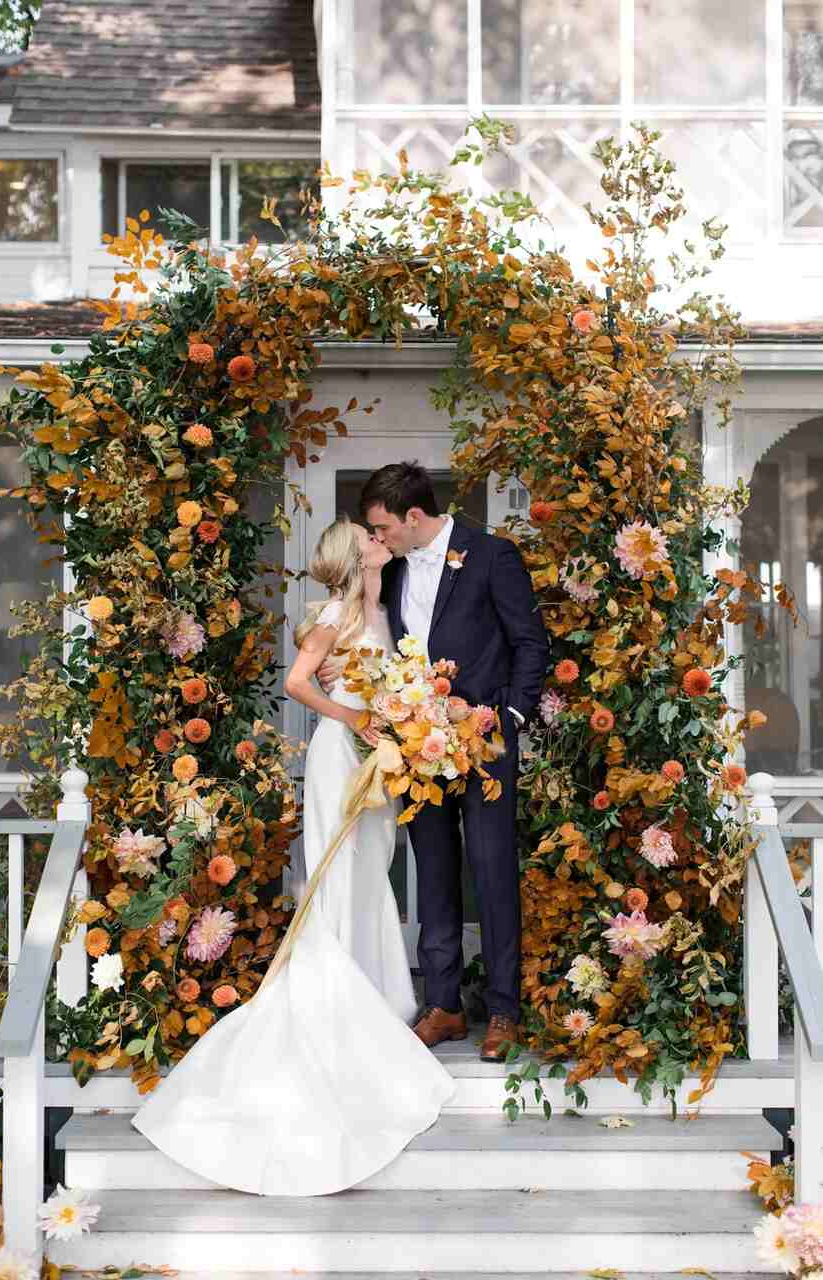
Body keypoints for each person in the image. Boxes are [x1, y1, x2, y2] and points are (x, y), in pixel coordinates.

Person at [131, 516, 455, 1196]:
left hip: (378, 758)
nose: (379, 539)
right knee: (337, 877)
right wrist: (356, 720)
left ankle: (374, 989)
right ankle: (336, 997)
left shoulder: (383, 609)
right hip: (342, 758)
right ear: (352, 554)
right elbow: (298, 685)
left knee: (372, 874)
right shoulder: (334, 615)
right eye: (370, 536)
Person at [320, 462, 549, 1062]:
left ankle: (503, 1011)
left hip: (485, 739)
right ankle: (443, 1005)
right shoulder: (391, 573)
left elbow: (529, 642)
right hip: (414, 744)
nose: (377, 539)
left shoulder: (491, 556)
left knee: (493, 871)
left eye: (381, 528)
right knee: (434, 873)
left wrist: (511, 718)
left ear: (412, 517)